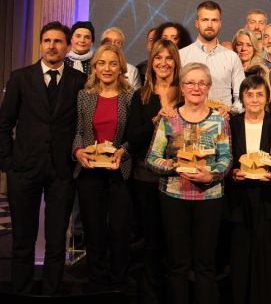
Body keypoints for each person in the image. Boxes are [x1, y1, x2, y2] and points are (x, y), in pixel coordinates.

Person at [0, 21, 87, 295]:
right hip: (23, 169)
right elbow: (4, 124)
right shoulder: (20, 77)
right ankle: (21, 293)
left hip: (61, 171)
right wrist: (7, 163)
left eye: (58, 41)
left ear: (68, 47)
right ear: (41, 44)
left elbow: (81, 125)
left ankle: (51, 293)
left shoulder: (79, 81)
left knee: (55, 242)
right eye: (47, 40)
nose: (52, 46)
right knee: (23, 240)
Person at [147, 62, 232, 304]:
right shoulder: (169, 119)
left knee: (205, 264)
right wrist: (175, 167)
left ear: (209, 87)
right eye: (190, 83)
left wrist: (211, 175)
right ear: (182, 87)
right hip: (173, 198)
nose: (196, 87)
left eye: (202, 83)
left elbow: (226, 158)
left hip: (209, 198)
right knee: (177, 264)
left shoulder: (219, 120)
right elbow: (152, 159)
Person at [72, 44, 135, 291]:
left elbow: (134, 136)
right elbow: (78, 131)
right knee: (94, 228)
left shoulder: (130, 96)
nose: (107, 68)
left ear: (121, 66)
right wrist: (78, 151)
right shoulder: (84, 96)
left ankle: (119, 282)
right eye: (101, 63)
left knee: (119, 230)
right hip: (90, 172)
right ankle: (97, 280)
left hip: (120, 171)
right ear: (95, 67)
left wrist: (124, 151)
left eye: (112, 63)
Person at [126, 39, 182, 303]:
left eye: (168, 58)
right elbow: (133, 139)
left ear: (175, 62)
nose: (163, 63)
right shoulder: (141, 96)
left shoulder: (185, 94)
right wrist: (155, 120)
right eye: (157, 58)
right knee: (151, 241)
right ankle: (150, 296)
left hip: (178, 177)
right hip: (146, 177)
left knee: (175, 242)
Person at [226, 74, 271, 304]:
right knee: (240, 251)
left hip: (267, 195)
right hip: (238, 195)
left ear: (267, 97)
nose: (255, 99)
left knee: (266, 251)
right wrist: (232, 173)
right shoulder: (233, 123)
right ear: (242, 98)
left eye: (260, 94)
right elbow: (226, 155)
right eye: (249, 95)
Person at [179, 0, 245, 113]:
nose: (209, 25)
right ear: (197, 23)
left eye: (214, 20)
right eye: (205, 20)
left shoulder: (232, 57)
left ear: (220, 24)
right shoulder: (181, 55)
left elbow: (242, 95)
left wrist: (232, 111)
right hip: (189, 122)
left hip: (224, 122)